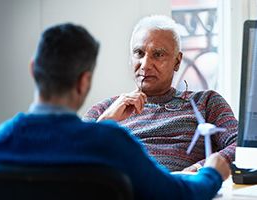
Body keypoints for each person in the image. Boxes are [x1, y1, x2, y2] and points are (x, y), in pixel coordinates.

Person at [0, 23, 230, 199]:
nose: (145, 63)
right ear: (84, 81)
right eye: (138, 53)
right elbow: (177, 196)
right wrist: (211, 173)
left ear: (33, 69)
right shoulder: (111, 142)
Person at [84, 15, 238, 172]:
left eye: (158, 54)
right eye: (139, 53)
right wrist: (106, 121)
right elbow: (74, 158)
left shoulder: (206, 102)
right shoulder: (104, 110)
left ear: (177, 62)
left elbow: (241, 145)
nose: (145, 65)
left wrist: (200, 169)